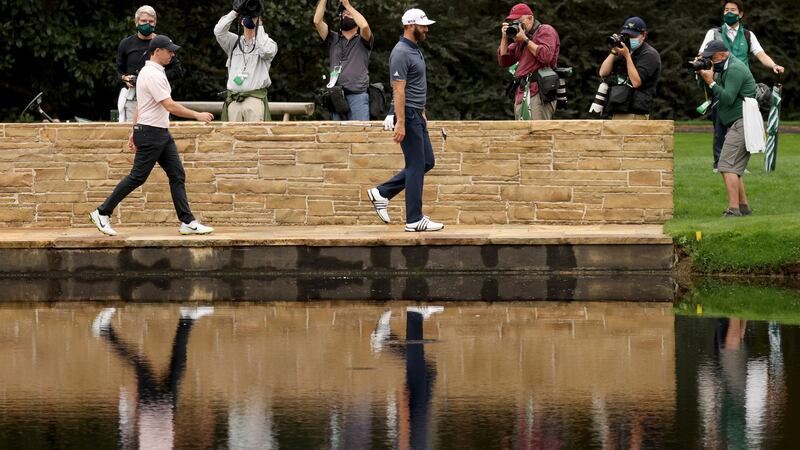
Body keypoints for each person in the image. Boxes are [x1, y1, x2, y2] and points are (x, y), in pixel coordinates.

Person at [90, 35, 216, 236]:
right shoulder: (153, 75)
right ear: (157, 51)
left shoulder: (149, 73)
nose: (173, 54)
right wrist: (197, 115)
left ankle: (187, 221)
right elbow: (169, 105)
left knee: (177, 174)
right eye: (170, 51)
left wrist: (134, 129)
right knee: (137, 177)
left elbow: (141, 104)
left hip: (158, 132)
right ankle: (102, 212)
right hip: (152, 133)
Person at [367, 9, 443, 232]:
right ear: (411, 26)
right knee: (416, 165)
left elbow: (416, 85)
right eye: (423, 26)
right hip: (408, 115)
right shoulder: (400, 52)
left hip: (415, 113)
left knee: (426, 162)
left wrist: (422, 109)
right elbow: (399, 90)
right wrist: (400, 121)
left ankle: (382, 192)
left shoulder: (414, 49)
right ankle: (414, 219)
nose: (426, 29)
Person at [698, 0, 785, 170]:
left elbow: (760, 54)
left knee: (744, 125)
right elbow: (702, 54)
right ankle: (718, 163)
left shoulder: (748, 35)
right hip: (720, 81)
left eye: (733, 10)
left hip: (742, 86)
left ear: (741, 14)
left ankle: (739, 163)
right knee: (720, 124)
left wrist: (774, 65)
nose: (728, 13)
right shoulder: (713, 33)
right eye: (726, 10)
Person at [696, 40, 756, 217]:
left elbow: (728, 98)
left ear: (723, 54)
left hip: (742, 122)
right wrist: (702, 75)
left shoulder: (735, 69)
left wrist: (712, 82)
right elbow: (710, 91)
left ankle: (733, 209)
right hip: (737, 123)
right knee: (735, 167)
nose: (710, 61)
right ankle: (743, 207)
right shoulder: (723, 67)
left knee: (726, 165)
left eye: (712, 58)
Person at [116, 5, 184, 122]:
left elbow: (177, 71)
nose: (147, 24)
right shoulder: (126, 43)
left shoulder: (163, 42)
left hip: (159, 96)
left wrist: (150, 79)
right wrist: (125, 78)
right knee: (133, 130)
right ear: (137, 22)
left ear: (155, 23)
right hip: (133, 96)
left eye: (151, 21)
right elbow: (118, 70)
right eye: (143, 21)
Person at [497, 3, 560, 120]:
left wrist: (526, 40)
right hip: (522, 92)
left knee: (538, 134)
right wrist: (504, 37)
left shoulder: (545, 30)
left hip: (539, 92)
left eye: (519, 21)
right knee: (522, 134)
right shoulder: (520, 40)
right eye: (514, 22)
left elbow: (546, 56)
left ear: (530, 18)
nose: (517, 25)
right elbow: (503, 60)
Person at [313, 0, 374, 121]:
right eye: (343, 14)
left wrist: (347, 5)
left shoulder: (363, 38)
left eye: (349, 14)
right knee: (338, 137)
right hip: (336, 96)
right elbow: (317, 21)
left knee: (359, 135)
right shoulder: (333, 38)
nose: (345, 15)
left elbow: (365, 26)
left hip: (358, 96)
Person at [214, 8, 278, 121]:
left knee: (255, 137)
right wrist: (235, 11)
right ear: (242, 21)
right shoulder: (234, 42)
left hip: (254, 100)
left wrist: (259, 26)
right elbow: (219, 31)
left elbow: (266, 51)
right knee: (233, 137)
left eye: (253, 17)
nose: (250, 19)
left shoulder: (268, 43)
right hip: (234, 100)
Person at [598, 17, 661, 120]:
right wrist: (614, 51)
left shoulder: (650, 55)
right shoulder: (625, 51)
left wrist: (627, 57)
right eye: (627, 35)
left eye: (633, 36)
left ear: (644, 35)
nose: (630, 39)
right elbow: (603, 72)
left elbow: (636, 82)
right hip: (619, 106)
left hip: (635, 113)